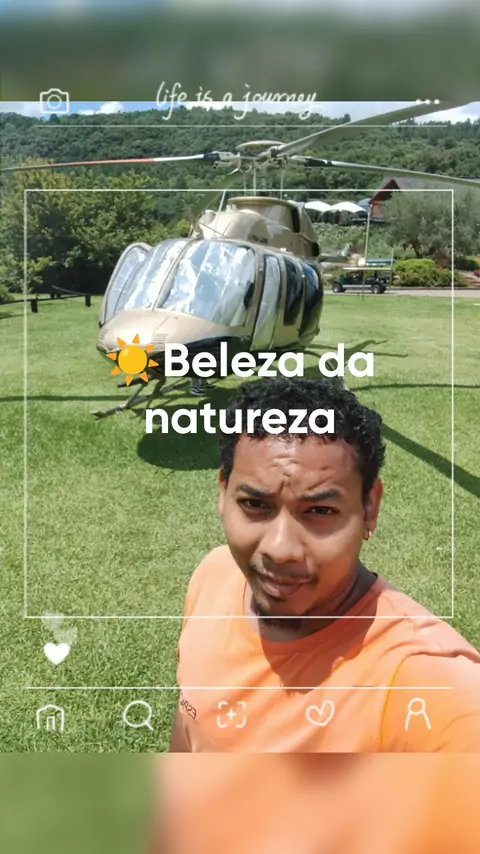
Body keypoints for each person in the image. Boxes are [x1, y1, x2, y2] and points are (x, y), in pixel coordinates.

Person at [170, 377, 480, 753]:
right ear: (223, 492)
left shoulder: (423, 678)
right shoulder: (214, 575)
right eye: (254, 504)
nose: (280, 549)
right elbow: (191, 722)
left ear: (369, 507)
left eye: (319, 510)